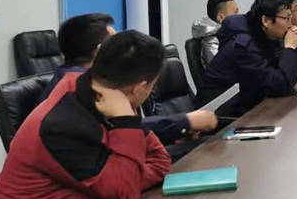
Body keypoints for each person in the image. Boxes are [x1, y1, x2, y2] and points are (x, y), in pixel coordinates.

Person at [0, 31, 172, 199]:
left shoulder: (103, 96)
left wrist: (126, 174)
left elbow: (158, 161)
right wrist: (126, 123)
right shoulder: (61, 126)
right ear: (139, 88)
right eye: (152, 86)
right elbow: (126, 191)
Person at [40, 14, 218, 148]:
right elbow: (119, 128)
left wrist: (173, 133)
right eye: (116, 42)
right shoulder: (78, 87)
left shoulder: (82, 78)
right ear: (100, 51)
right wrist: (185, 122)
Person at [199, 0, 297, 117]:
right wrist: (290, 48)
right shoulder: (243, 46)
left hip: (244, 108)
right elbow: (278, 86)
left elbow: (282, 75)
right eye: (286, 18)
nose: (290, 24)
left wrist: (290, 47)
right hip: (219, 116)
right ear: (266, 21)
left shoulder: (264, 37)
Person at [191, 0, 239, 70]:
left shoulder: (228, 35)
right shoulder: (211, 42)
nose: (239, 16)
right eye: (235, 12)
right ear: (221, 18)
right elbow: (225, 70)